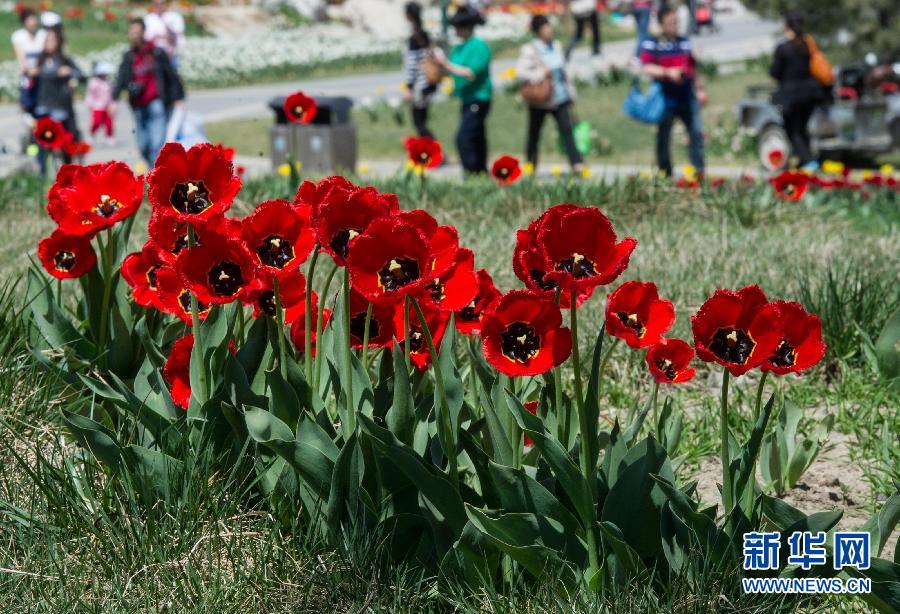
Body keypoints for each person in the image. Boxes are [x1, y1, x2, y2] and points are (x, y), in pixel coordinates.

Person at [640, 7, 706, 177]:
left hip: (686, 96)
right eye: (671, 22)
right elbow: (646, 66)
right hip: (665, 98)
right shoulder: (653, 42)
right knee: (664, 138)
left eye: (676, 21)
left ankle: (698, 172)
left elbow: (693, 67)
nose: (675, 25)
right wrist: (668, 73)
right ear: (661, 24)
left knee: (696, 134)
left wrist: (699, 90)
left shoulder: (684, 41)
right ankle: (665, 174)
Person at [113, 19, 185, 165]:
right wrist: (114, 99)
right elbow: (121, 77)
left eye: (137, 32)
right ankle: (156, 171)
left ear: (143, 33)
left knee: (156, 145)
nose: (134, 35)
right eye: (132, 32)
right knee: (142, 146)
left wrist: (178, 97)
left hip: (156, 102)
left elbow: (171, 75)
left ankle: (158, 178)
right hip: (138, 104)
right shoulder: (129, 56)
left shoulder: (156, 52)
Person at [518, 15, 584, 173]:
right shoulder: (530, 49)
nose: (549, 30)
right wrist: (541, 73)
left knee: (567, 131)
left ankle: (577, 164)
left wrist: (571, 93)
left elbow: (564, 71)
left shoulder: (556, 46)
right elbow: (521, 72)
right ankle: (530, 165)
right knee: (534, 133)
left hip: (559, 97)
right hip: (540, 99)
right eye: (545, 28)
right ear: (538, 31)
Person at [435, 6, 492, 175]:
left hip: (479, 98)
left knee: (464, 138)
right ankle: (481, 172)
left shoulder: (479, 46)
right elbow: (451, 71)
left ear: (468, 26)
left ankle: (471, 171)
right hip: (466, 99)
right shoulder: (459, 48)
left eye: (459, 26)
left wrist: (446, 64)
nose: (456, 30)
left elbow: (470, 73)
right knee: (477, 136)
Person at [770, 12, 826, 170]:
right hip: (811, 93)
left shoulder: (783, 48)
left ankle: (809, 162)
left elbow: (775, 72)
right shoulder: (808, 44)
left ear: (787, 26)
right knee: (802, 128)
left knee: (792, 130)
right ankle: (805, 161)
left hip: (791, 96)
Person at [403, 2, 436, 139]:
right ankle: (430, 151)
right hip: (430, 81)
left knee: (419, 122)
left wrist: (409, 87)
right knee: (422, 120)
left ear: (408, 16)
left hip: (421, 85)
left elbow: (412, 64)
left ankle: (434, 151)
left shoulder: (414, 37)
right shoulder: (425, 34)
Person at [11, 8, 46, 117]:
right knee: (27, 100)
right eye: (29, 19)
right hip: (28, 74)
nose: (32, 22)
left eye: (33, 18)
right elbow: (21, 57)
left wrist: (40, 69)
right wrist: (27, 69)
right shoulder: (19, 36)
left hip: (42, 71)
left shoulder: (43, 34)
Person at [143, 0, 186, 66]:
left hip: (171, 54)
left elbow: (178, 32)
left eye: (162, 3)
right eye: (156, 4)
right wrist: (164, 36)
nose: (159, 6)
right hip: (154, 55)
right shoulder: (149, 18)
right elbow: (147, 36)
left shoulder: (174, 16)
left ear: (166, 4)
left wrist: (160, 35)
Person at [86, 62, 116, 145]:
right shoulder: (94, 82)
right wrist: (90, 104)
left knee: (109, 123)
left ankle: (110, 136)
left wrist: (113, 104)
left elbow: (112, 95)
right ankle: (92, 135)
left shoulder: (109, 83)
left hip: (107, 106)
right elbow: (90, 94)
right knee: (97, 122)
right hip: (97, 106)